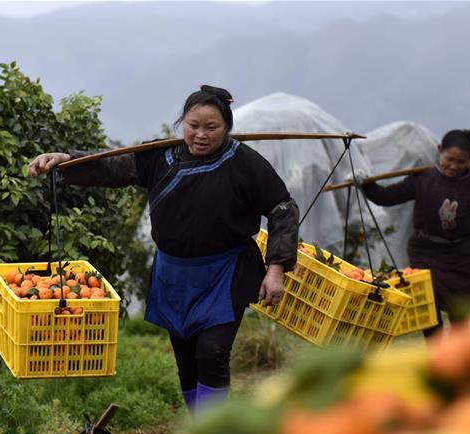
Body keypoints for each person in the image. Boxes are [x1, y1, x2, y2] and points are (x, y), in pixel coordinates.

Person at [27, 85, 299, 414]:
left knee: (212, 352)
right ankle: (201, 429)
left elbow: (282, 208)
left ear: (227, 127)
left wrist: (275, 269)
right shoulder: (160, 157)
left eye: (211, 127)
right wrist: (66, 160)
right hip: (174, 274)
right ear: (181, 122)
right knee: (186, 360)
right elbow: (111, 167)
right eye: (192, 125)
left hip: (225, 274)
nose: (200, 135)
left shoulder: (243, 163)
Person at [355, 129, 470, 336]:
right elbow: (386, 197)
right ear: (439, 150)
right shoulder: (423, 179)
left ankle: (460, 357)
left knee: (462, 319)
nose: (454, 166)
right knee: (428, 310)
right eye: (449, 159)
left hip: (464, 259)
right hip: (426, 255)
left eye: (461, 162)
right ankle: (439, 356)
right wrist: (366, 184)